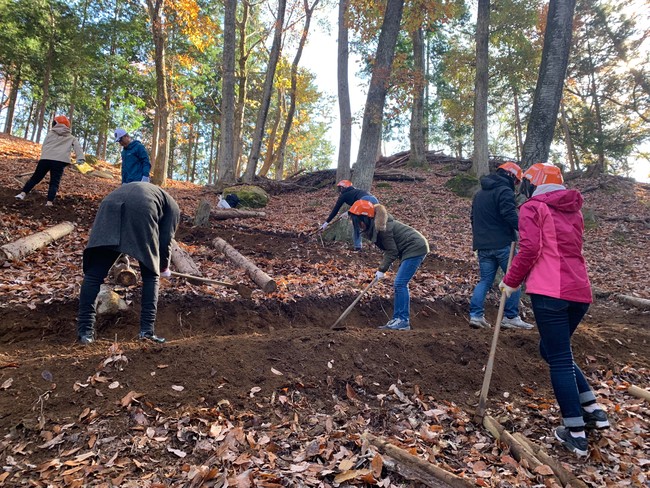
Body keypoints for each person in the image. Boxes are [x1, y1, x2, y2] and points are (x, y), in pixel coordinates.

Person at [500, 163, 608, 458]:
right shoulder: (573, 208)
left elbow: (531, 248)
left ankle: (575, 433)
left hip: (550, 292)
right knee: (553, 351)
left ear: (533, 185)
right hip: (580, 292)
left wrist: (510, 282)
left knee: (558, 358)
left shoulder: (532, 208)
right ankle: (593, 409)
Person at [77, 182, 180, 345]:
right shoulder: (173, 208)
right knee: (150, 275)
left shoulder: (153, 194)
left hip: (108, 205)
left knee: (94, 274)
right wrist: (163, 267)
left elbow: (123, 229)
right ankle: (147, 332)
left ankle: (85, 333)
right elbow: (165, 240)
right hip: (142, 208)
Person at [468, 162, 533, 330]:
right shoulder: (504, 191)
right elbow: (508, 214)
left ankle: (476, 315)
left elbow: (473, 218)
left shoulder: (479, 193)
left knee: (485, 280)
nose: (516, 185)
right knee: (514, 279)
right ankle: (511, 316)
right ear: (511, 176)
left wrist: (479, 239)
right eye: (517, 181)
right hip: (503, 243)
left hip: (483, 245)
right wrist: (525, 229)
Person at [348, 200, 429, 330]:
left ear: (366, 219)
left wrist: (382, 269)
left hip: (415, 247)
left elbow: (392, 251)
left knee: (400, 283)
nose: (359, 225)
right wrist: (383, 268)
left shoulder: (383, 228)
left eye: (359, 221)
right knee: (399, 284)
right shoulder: (376, 226)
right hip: (408, 248)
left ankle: (402, 320)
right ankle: (397, 319)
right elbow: (390, 250)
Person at [15, 115, 85, 206]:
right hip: (59, 161)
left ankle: (22, 194)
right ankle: (49, 202)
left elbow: (44, 146)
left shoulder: (50, 134)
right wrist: (80, 158)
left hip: (45, 159)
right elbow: (78, 148)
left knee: (35, 178)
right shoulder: (71, 137)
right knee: (54, 182)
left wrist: (45, 156)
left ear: (55, 124)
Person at [320, 179, 379, 251]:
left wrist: (326, 223)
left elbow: (335, 210)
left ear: (343, 188)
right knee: (374, 224)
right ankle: (379, 244)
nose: (340, 190)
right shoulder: (357, 191)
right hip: (374, 200)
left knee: (356, 224)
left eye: (340, 188)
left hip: (362, 202)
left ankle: (358, 246)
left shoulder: (344, 195)